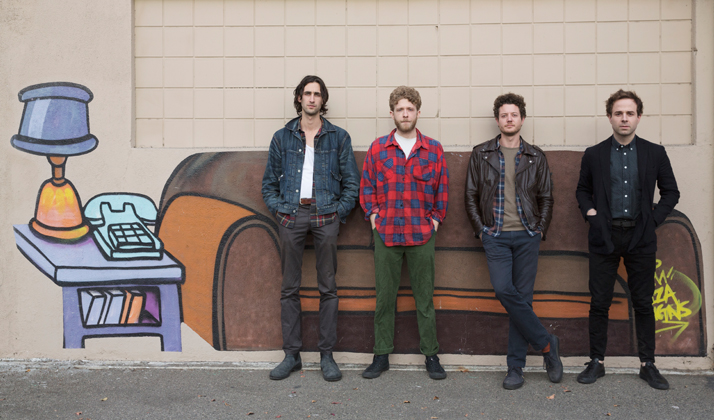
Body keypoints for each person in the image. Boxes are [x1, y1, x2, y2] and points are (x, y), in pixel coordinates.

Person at [575, 89, 679, 390]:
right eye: (618, 113)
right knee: (600, 302)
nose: (624, 118)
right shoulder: (594, 154)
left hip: (641, 236)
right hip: (604, 236)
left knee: (643, 302)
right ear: (610, 117)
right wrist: (592, 215)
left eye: (629, 113)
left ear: (638, 117)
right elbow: (582, 190)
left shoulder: (654, 153)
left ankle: (648, 364)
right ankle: (596, 361)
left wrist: (653, 221)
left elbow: (671, 192)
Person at [261, 75, 359, 382]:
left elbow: (352, 184)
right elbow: (268, 183)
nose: (312, 98)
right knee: (289, 288)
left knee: (328, 287)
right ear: (299, 98)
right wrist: (279, 209)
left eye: (317, 94)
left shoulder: (339, 137)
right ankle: (292, 355)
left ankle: (326, 355)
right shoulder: (282, 137)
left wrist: (338, 212)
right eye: (307, 93)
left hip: (326, 215)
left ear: (322, 100)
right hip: (291, 215)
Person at [464, 93, 562, 390]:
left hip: (527, 235)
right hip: (495, 236)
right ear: (497, 120)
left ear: (522, 119)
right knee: (504, 290)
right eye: (504, 115)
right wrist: (482, 230)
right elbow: (470, 195)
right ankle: (547, 344)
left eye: (514, 115)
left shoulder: (536, 156)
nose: (509, 119)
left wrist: (539, 229)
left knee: (524, 300)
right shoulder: (481, 154)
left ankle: (515, 368)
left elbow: (546, 197)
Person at [359, 86, 449, 380]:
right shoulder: (377, 148)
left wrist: (435, 221)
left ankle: (431, 355)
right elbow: (367, 187)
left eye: (410, 109)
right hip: (386, 234)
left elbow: (442, 189)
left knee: (425, 299)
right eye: (400, 109)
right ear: (392, 113)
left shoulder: (433, 149)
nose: (405, 114)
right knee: (385, 299)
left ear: (418, 112)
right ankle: (381, 355)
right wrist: (374, 218)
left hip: (422, 234)